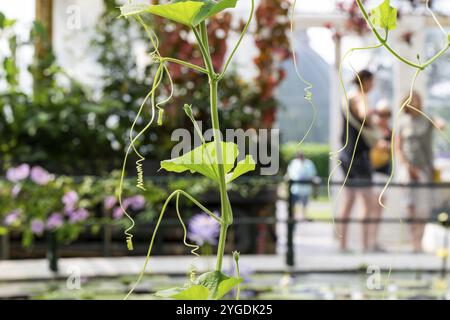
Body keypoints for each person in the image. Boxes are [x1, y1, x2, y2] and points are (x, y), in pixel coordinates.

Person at [337, 69, 382, 252]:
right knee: (367, 201)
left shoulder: (346, 97)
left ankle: (343, 244)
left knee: (348, 200)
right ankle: (365, 245)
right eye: (371, 81)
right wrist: (374, 117)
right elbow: (364, 115)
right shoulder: (359, 97)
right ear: (365, 81)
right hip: (359, 156)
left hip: (347, 153)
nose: (373, 85)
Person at [396, 91, 445, 253]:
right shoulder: (402, 122)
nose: (413, 103)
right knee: (410, 205)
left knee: (423, 208)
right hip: (408, 168)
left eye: (416, 100)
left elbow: (439, 123)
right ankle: (413, 241)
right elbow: (398, 147)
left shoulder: (426, 119)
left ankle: (420, 240)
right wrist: (408, 167)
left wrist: (440, 123)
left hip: (424, 167)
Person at [287, 151, 317, 219]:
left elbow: (312, 174)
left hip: (305, 188)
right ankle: (294, 216)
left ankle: (304, 217)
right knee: (293, 204)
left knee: (305, 204)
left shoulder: (309, 163)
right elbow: (290, 173)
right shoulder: (294, 163)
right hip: (296, 188)